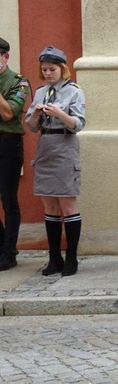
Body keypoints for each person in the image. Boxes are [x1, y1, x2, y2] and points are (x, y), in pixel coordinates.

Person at [25, 46, 86, 277]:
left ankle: (71, 258)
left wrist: (59, 113)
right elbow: (31, 127)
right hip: (45, 147)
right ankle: (54, 258)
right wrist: (37, 114)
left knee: (67, 204)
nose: (48, 73)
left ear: (62, 68)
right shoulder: (41, 92)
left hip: (65, 144)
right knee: (49, 205)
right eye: (44, 69)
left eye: (52, 69)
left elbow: (78, 124)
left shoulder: (74, 92)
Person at [0, 37, 30, 271]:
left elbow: (9, 113)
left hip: (7, 144)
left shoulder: (19, 82)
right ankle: (3, 244)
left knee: (8, 199)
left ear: (5, 57)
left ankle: (9, 253)